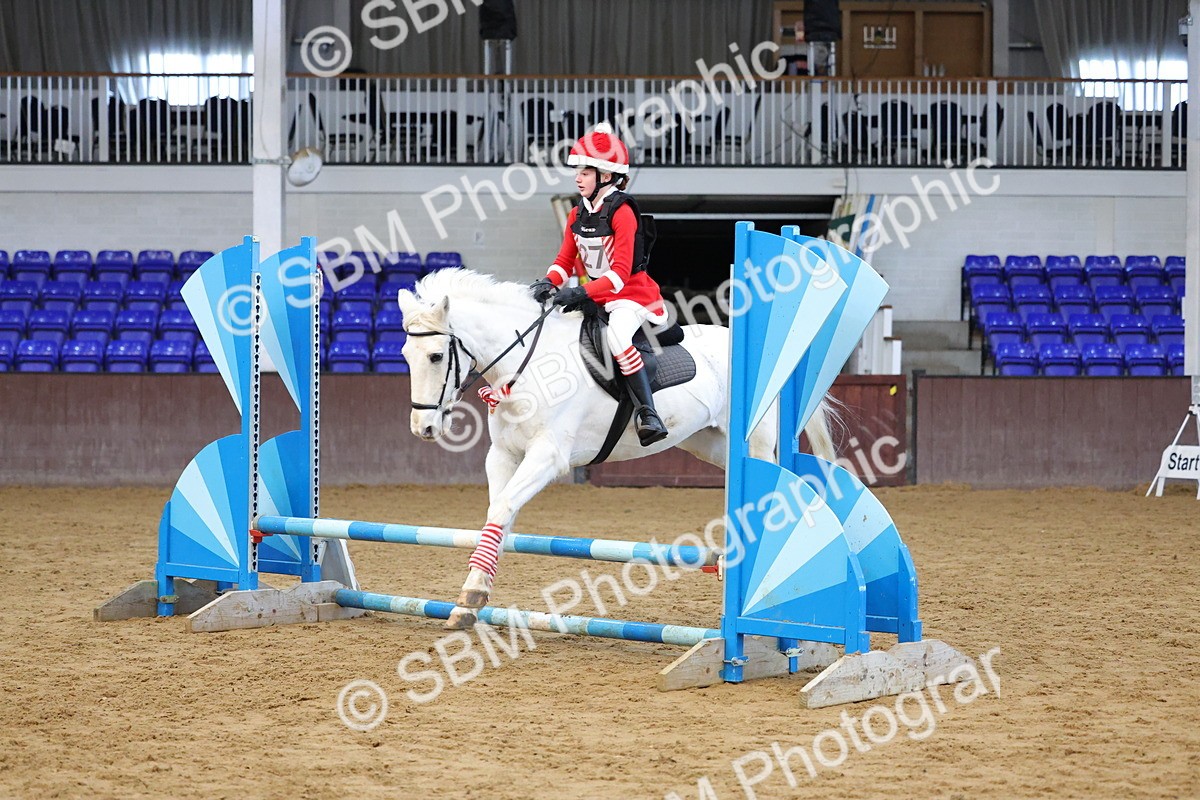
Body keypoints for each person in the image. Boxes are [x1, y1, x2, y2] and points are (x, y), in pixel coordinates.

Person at [529, 123, 669, 446]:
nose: (577, 178)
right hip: (600, 296)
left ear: (606, 176)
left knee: (618, 337)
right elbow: (564, 261)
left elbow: (620, 274)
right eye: (577, 172)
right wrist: (548, 282)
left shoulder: (623, 212)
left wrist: (579, 292)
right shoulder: (577, 214)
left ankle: (648, 413)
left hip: (632, 295)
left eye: (585, 172)